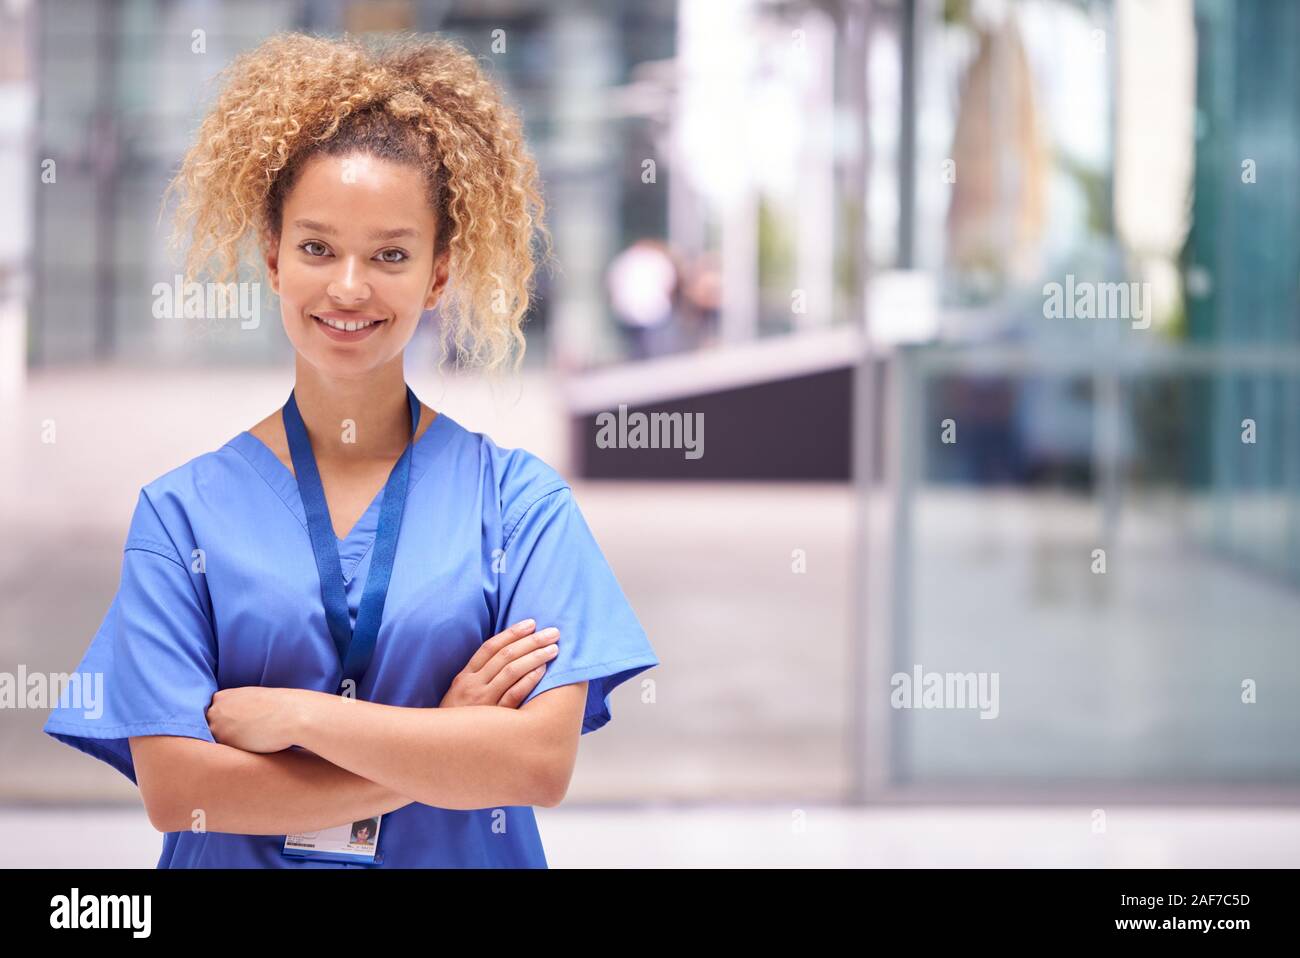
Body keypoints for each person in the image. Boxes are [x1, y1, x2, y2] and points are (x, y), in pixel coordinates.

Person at [42, 32, 659, 869]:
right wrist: (444, 745)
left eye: (391, 255)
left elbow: (539, 765)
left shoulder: (518, 504)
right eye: (317, 247)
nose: (348, 287)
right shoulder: (181, 514)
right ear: (273, 256)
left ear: (439, 275)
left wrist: (302, 719)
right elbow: (178, 792)